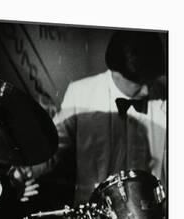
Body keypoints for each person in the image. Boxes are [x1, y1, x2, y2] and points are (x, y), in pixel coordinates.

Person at [20, 30, 167, 206]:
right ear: (116, 71)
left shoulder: (167, 95)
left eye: (150, 81)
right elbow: (51, 148)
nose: (147, 91)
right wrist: (21, 174)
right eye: (140, 83)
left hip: (153, 215)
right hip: (97, 217)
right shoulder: (81, 93)